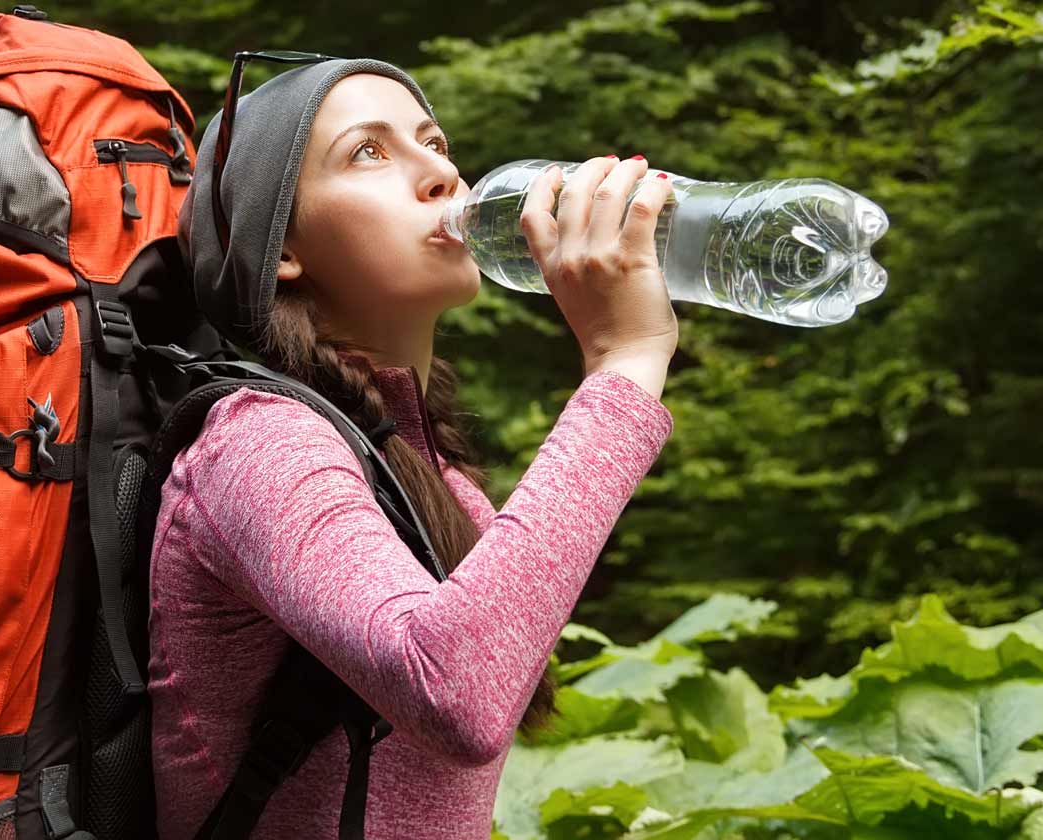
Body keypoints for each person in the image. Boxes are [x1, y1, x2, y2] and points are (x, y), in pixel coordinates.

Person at [150, 54, 678, 839]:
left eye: (434, 141)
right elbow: (453, 689)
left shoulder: (434, 480)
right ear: (282, 247)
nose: (439, 172)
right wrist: (625, 362)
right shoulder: (258, 442)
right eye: (369, 151)